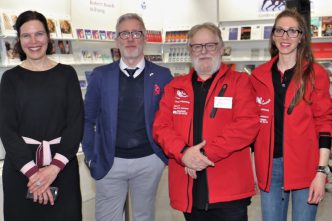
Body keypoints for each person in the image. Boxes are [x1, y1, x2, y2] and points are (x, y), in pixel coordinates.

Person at [153, 22, 259, 221]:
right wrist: (184, 153)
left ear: (221, 48)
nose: (203, 51)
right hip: (189, 188)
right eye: (197, 46)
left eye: (210, 45)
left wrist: (202, 155)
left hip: (229, 189)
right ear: (190, 50)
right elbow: (161, 127)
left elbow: (246, 126)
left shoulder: (240, 82)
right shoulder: (175, 87)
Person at [82, 13, 173, 221]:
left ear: (144, 38)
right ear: (116, 40)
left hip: (149, 161)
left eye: (136, 33)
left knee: (144, 215)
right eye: (124, 33)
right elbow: (87, 119)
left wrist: (163, 157)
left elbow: (170, 121)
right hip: (109, 161)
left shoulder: (163, 76)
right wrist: (90, 156)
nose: (130, 39)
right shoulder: (100, 75)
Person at [0, 10, 83, 221]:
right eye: (26, 35)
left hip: (61, 168)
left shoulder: (67, 74)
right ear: (19, 40)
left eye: (39, 34)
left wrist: (53, 169)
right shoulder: (9, 79)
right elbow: (7, 130)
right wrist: (34, 176)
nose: (33, 41)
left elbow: (75, 125)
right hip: (21, 171)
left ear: (48, 36)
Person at [250, 9, 331, 221]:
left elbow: (324, 124)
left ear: (301, 36)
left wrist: (321, 172)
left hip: (306, 166)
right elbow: (249, 122)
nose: (285, 37)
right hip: (270, 167)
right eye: (280, 31)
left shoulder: (315, 74)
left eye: (292, 31)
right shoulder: (258, 76)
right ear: (273, 35)